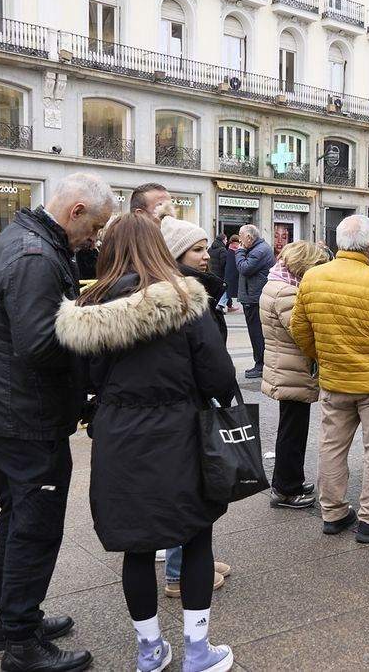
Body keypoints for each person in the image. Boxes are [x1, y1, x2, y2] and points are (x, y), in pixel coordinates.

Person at [55, 214, 235, 672]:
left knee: (136, 546)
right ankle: (198, 652)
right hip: (181, 432)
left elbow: (84, 379)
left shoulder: (87, 308)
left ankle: (149, 651)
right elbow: (218, 376)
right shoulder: (183, 299)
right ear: (158, 247)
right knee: (195, 535)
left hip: (119, 435)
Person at [0, 172, 114, 672]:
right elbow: (40, 344)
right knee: (35, 524)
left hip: (13, 407)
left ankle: (11, 620)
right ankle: (22, 642)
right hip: (27, 412)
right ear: (75, 212)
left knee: (18, 516)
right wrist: (97, 331)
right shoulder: (37, 255)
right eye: (94, 228)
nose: (93, 239)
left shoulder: (20, 238)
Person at [290, 215, 369, 543]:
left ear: (337, 244)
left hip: (335, 380)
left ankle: (332, 513)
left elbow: (300, 332)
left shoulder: (312, 279)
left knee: (332, 445)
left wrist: (323, 356)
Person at [159, 217, 233, 598]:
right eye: (197, 250)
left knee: (197, 487)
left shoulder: (191, 287)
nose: (206, 257)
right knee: (187, 490)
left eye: (206, 248)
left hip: (186, 402)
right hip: (185, 405)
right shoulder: (181, 293)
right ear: (176, 254)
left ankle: (193, 559)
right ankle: (178, 573)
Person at [260, 241, 329, 510]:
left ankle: (291, 482)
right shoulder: (287, 292)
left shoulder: (275, 283)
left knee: (292, 429)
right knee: (292, 432)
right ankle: (286, 489)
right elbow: (302, 334)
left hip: (285, 368)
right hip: (291, 371)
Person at [234, 224, 275, 380]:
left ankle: (261, 365)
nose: (239, 239)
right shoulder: (259, 248)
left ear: (249, 237)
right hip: (253, 296)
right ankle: (261, 363)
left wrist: (239, 251)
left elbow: (244, 268)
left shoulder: (258, 251)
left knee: (256, 333)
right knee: (257, 332)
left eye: (241, 235)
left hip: (254, 298)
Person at [208, 233, 229, 305]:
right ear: (223, 240)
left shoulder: (210, 249)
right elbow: (223, 263)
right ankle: (221, 304)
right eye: (226, 239)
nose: (227, 241)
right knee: (223, 288)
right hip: (221, 273)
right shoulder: (222, 249)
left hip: (212, 272)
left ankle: (227, 304)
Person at [223, 235, 242, 314]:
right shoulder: (237, 250)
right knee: (228, 289)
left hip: (228, 272)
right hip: (234, 272)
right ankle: (221, 303)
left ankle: (227, 305)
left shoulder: (229, 249)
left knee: (228, 289)